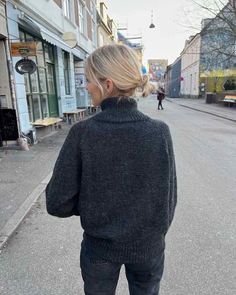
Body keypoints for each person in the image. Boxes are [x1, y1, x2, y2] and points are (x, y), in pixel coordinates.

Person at [46, 44, 177, 295]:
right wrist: (150, 234)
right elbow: (169, 199)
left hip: (100, 250)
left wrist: (93, 206)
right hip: (149, 248)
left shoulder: (83, 133)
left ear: (107, 85)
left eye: (88, 80)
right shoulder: (159, 132)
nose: (86, 86)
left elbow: (57, 203)